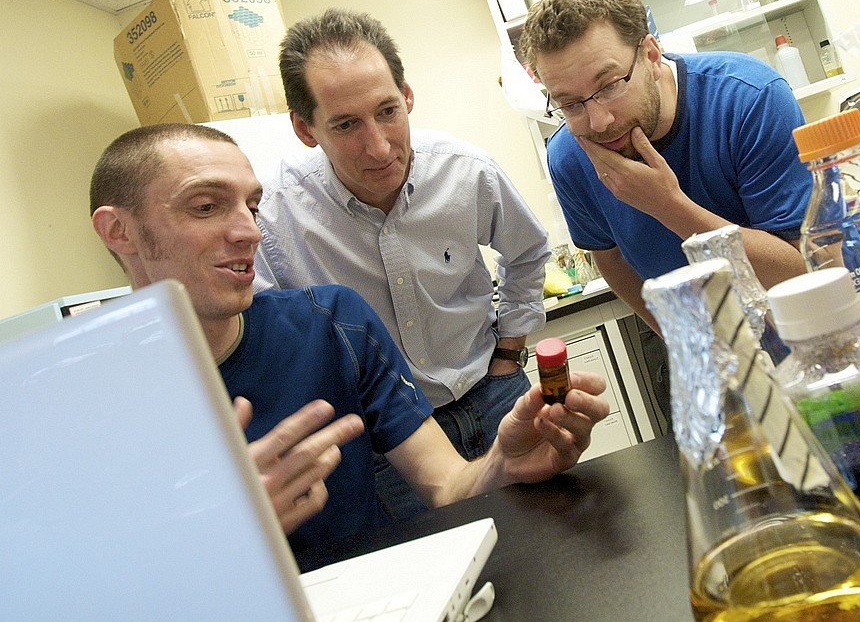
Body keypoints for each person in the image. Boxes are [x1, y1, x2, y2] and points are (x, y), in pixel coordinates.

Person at [88, 123, 609, 567]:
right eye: (206, 207)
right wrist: (221, 537)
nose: (249, 231)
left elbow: (446, 487)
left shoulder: (332, 324)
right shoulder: (71, 402)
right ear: (119, 231)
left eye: (252, 205)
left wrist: (502, 465)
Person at [252, 9, 551, 520]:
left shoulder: (465, 172)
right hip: (392, 447)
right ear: (305, 128)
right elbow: (266, 343)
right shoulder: (275, 218)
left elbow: (527, 252)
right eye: (346, 125)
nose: (379, 145)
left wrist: (509, 355)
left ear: (407, 96)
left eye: (388, 111)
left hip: (496, 394)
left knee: (555, 542)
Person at [518, 0, 812, 333]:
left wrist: (668, 206)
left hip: (809, 333)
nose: (598, 120)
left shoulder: (749, 98)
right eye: (570, 104)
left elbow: (799, 272)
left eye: (609, 86)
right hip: (713, 366)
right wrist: (683, 344)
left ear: (651, 55)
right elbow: (610, 257)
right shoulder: (568, 157)